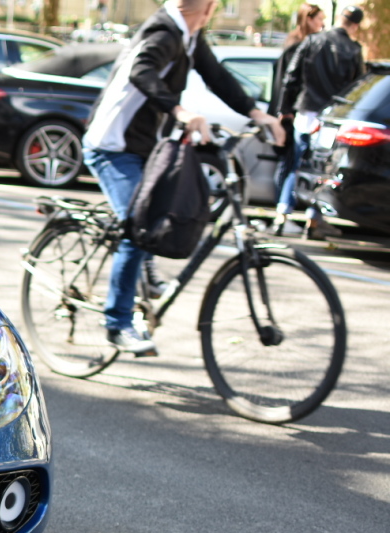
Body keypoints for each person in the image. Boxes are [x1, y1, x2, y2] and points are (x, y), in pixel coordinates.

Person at [81, 0, 285, 356]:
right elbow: (141, 72)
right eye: (212, 6)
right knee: (137, 226)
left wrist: (257, 113)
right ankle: (117, 323)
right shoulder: (162, 33)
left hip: (143, 146)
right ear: (202, 7)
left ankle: (144, 273)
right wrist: (179, 110)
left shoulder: (189, 36)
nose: (213, 13)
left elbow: (217, 76)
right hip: (111, 145)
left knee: (160, 208)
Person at [279, 4, 365, 240]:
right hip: (330, 118)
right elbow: (356, 89)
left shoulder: (313, 41)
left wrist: (285, 108)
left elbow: (291, 76)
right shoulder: (353, 49)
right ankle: (313, 219)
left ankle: (282, 214)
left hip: (306, 112)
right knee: (321, 170)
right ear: (355, 25)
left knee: (296, 165)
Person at [269, 3, 326, 236]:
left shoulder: (306, 44)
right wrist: (284, 112)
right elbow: (286, 80)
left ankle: (282, 215)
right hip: (292, 114)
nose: (322, 24)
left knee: (291, 164)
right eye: (319, 19)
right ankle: (281, 215)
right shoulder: (299, 45)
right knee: (290, 164)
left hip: (294, 111)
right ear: (308, 19)